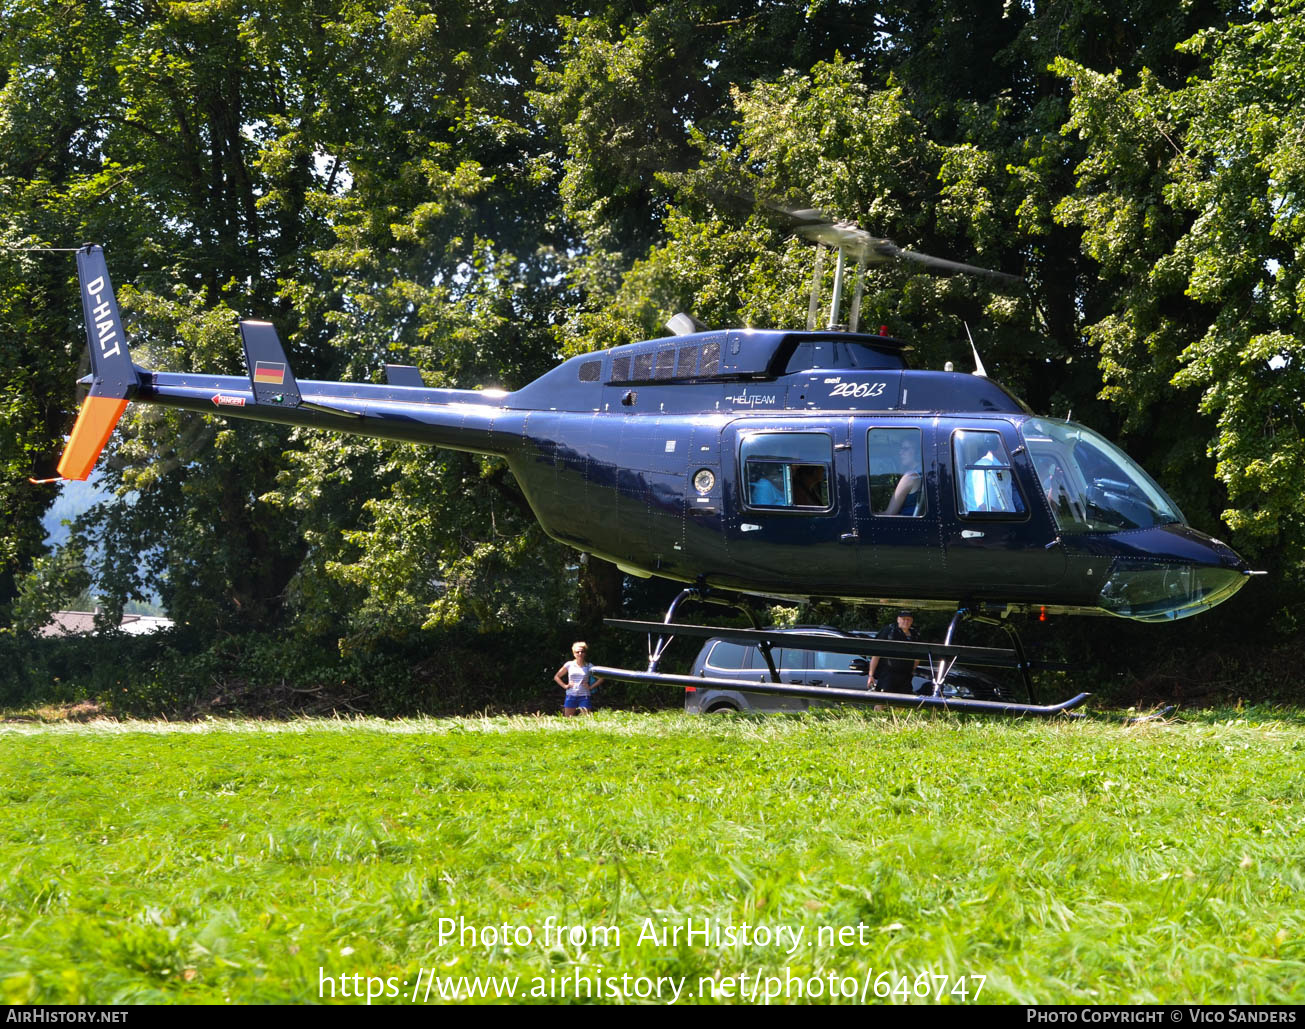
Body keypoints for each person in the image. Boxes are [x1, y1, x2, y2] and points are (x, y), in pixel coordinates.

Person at [867, 611, 920, 694]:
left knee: (903, 701)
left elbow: (917, 656)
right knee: (882, 699)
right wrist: (871, 675)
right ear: (898, 619)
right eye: (903, 619)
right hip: (888, 674)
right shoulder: (888, 631)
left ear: (912, 621)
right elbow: (876, 654)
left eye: (908, 619)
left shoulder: (915, 635)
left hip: (905, 675)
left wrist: (912, 670)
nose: (906, 621)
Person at [554, 641, 604, 716]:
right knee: (568, 719)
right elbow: (556, 677)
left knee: (586, 719)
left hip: (584, 696)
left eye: (582, 651)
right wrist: (565, 686)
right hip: (571, 695)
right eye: (577, 652)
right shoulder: (569, 665)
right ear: (574, 653)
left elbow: (601, 678)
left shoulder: (589, 666)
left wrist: (590, 687)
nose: (580, 654)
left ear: (585, 653)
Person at [883, 439, 923, 515]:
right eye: (901, 449)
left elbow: (889, 513)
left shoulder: (910, 477)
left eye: (906, 449)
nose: (900, 452)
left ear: (917, 452)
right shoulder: (922, 472)